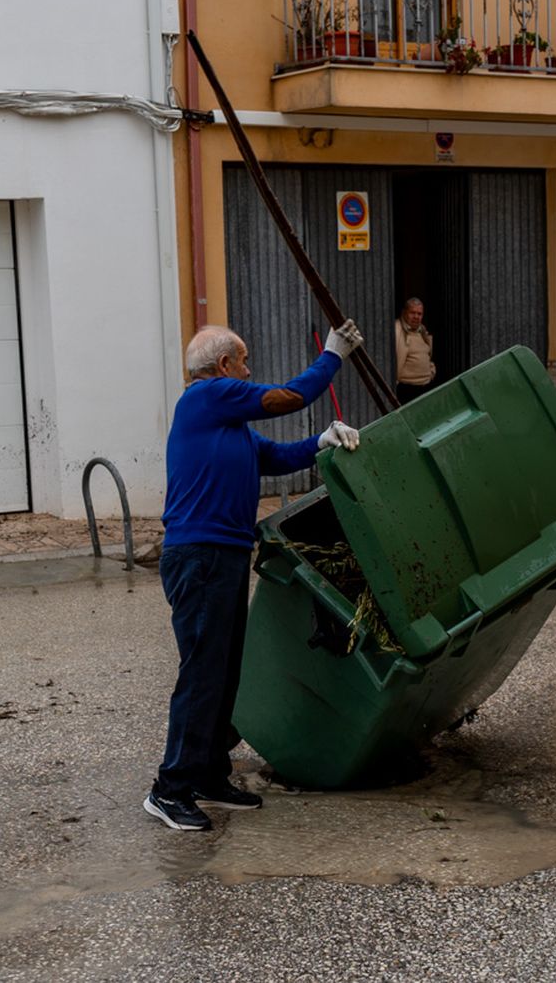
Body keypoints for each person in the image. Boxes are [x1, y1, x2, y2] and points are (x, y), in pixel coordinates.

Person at [145, 320, 365, 832]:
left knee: (222, 673)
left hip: (220, 557)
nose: (249, 371)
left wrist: (323, 441)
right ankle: (169, 789)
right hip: (198, 556)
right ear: (223, 366)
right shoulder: (206, 398)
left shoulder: (231, 428)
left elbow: (280, 456)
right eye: (243, 362)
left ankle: (208, 775)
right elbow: (291, 395)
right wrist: (333, 356)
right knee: (202, 674)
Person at [393, 297, 436, 405]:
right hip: (406, 391)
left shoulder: (422, 331)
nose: (416, 317)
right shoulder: (396, 330)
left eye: (419, 314)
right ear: (404, 313)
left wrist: (431, 370)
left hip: (425, 388)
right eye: (412, 313)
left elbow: (427, 354)